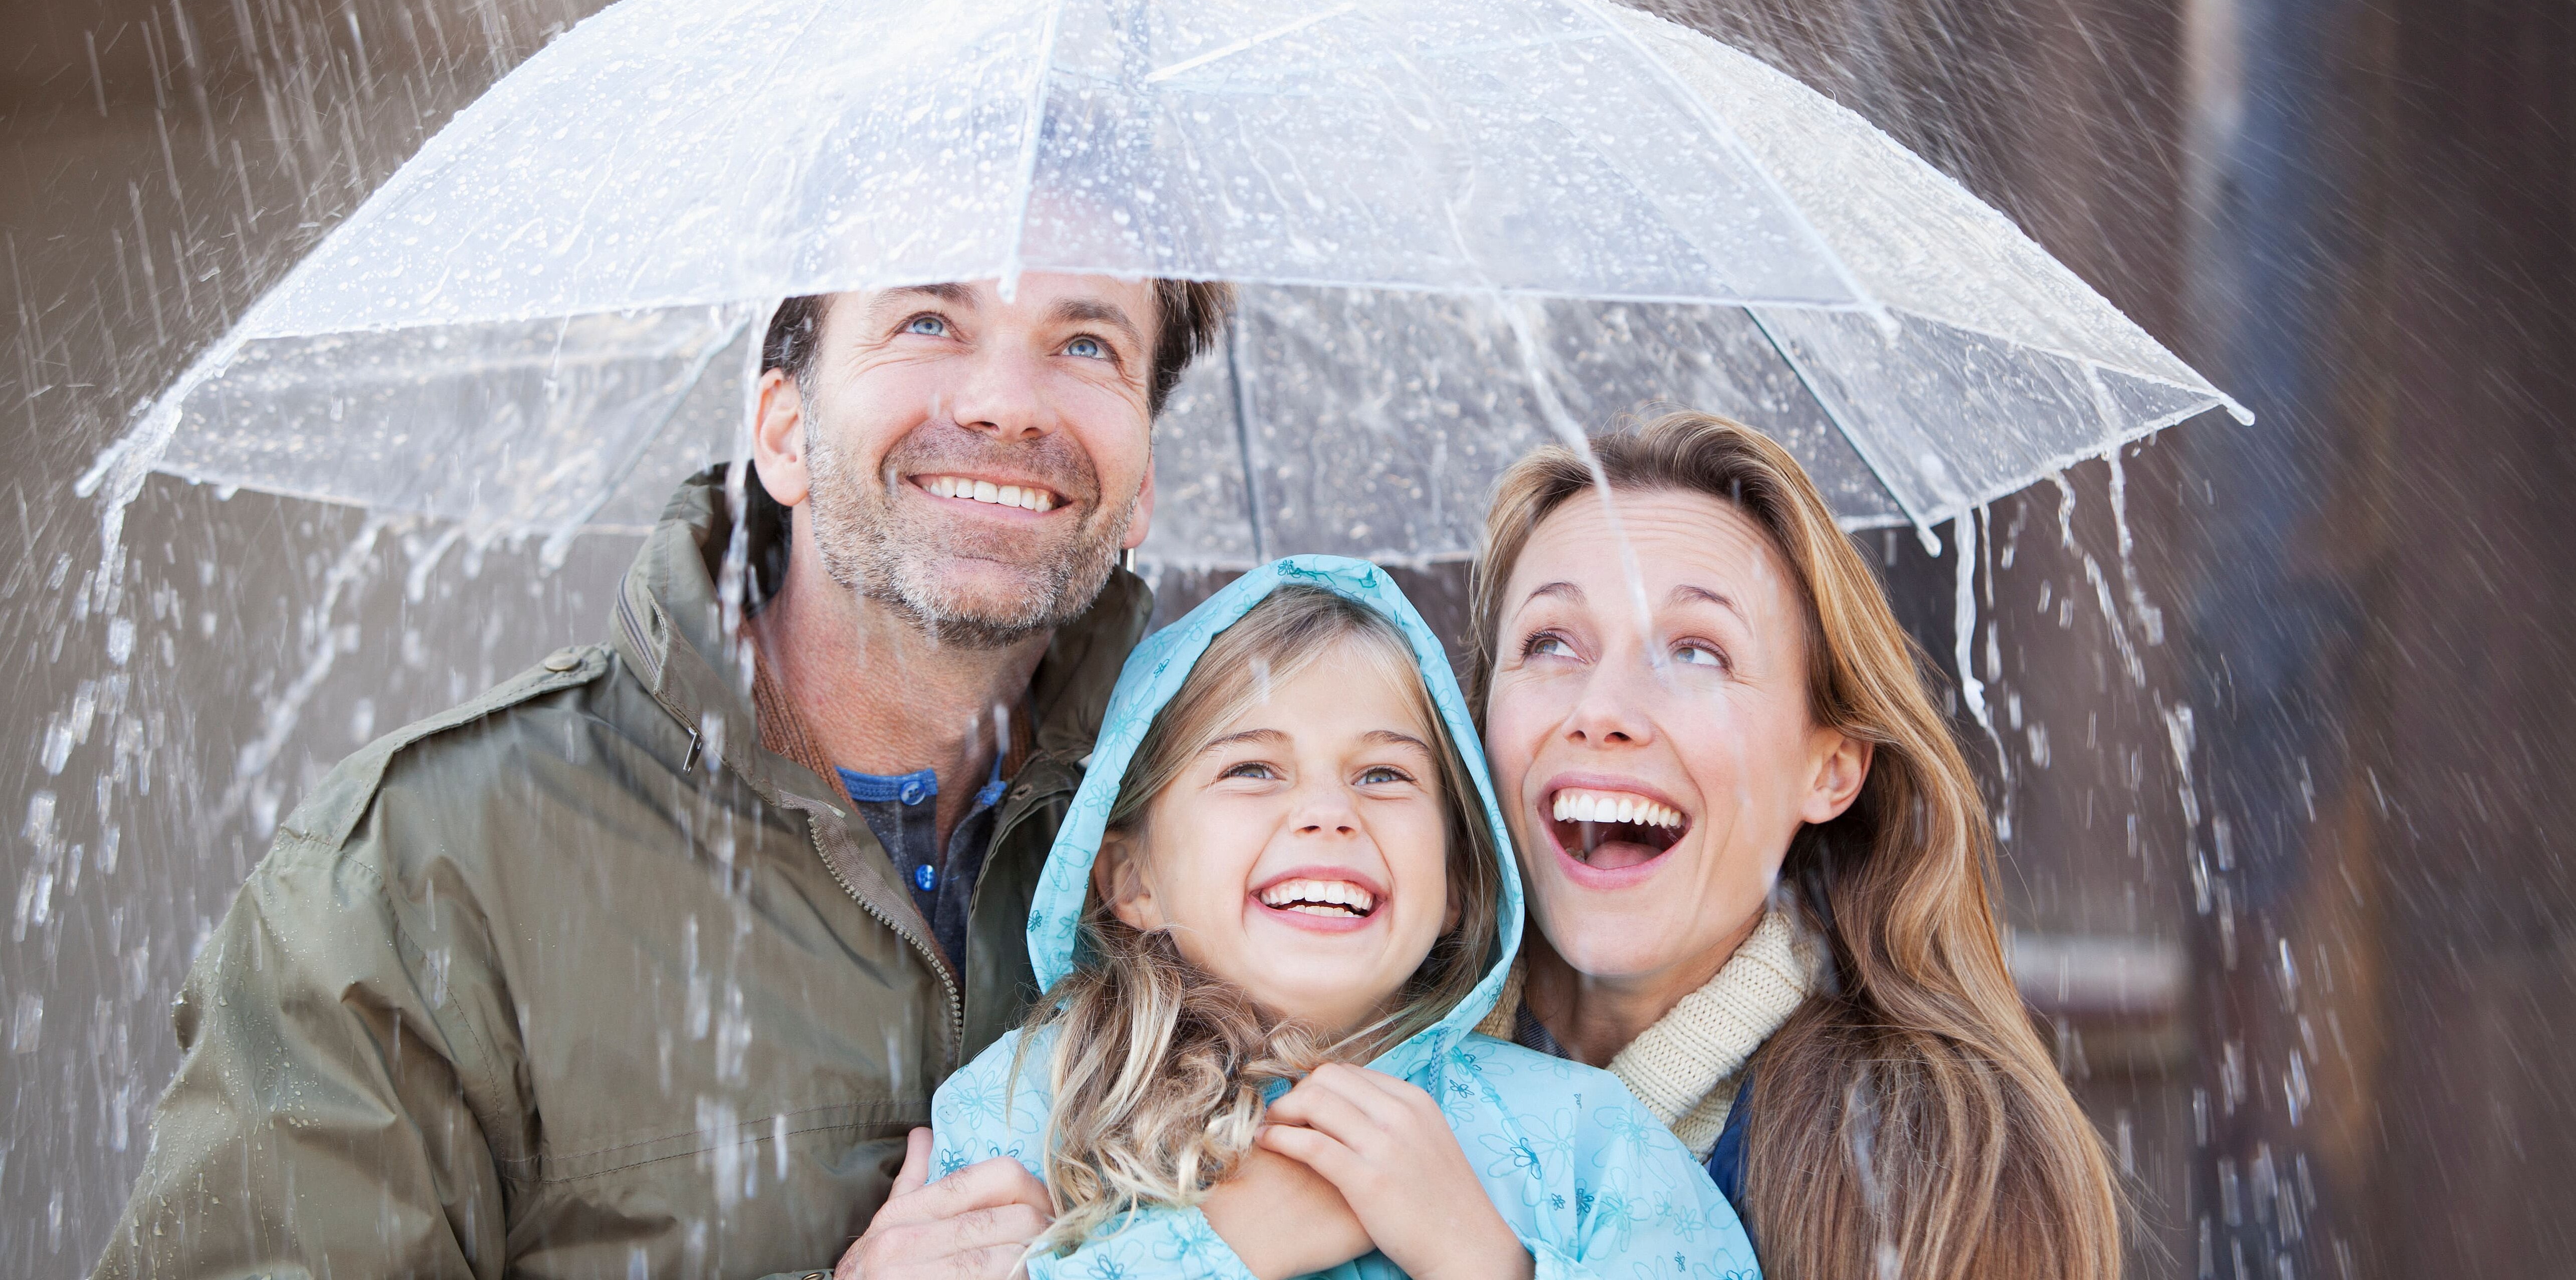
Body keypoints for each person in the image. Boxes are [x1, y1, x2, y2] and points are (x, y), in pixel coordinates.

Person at [92, 274, 1230, 1280]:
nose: (1006, 401)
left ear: (1139, 483)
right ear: (783, 432)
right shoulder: (422, 866)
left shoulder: (1250, 853)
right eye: (928, 320)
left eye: (1087, 346)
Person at [928, 558, 1756, 1280]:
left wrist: (1482, 1263)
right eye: (1253, 768)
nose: (1328, 813)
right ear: (1131, 880)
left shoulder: (1589, 1145)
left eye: (1385, 775)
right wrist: (1226, 1247)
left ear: (1459, 884)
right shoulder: (1034, 1110)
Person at [1461, 411, 2125, 1279]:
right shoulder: (1337, 1070)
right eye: (1550, 642)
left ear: (1830, 767)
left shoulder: (1939, 1164)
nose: (1600, 709)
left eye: (1697, 653)